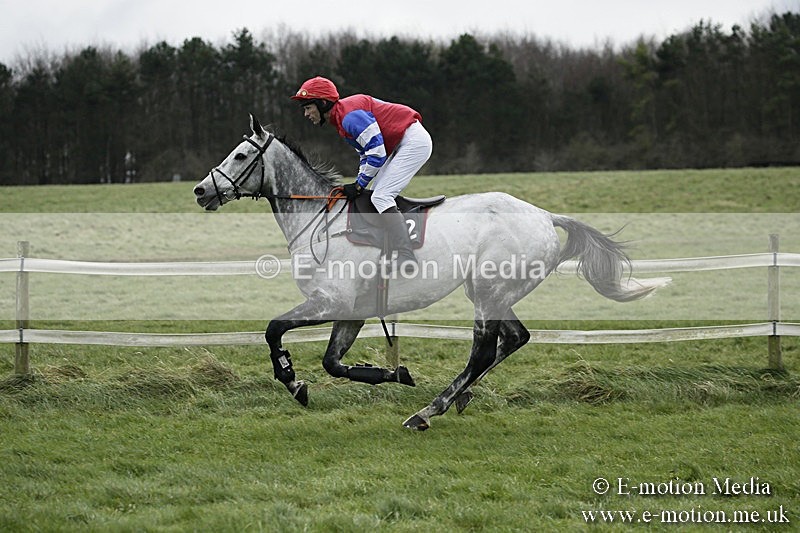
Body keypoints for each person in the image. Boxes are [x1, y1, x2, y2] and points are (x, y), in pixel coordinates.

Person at [291, 76, 432, 273]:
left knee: (381, 197)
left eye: (308, 107)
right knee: (376, 195)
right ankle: (389, 247)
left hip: (413, 142)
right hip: (400, 143)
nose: (306, 114)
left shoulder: (349, 118)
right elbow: (366, 156)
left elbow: (376, 153)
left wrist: (358, 185)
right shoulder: (341, 118)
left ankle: (406, 256)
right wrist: (359, 183)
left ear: (322, 104)